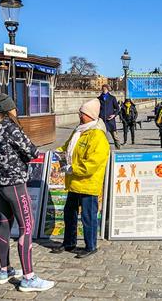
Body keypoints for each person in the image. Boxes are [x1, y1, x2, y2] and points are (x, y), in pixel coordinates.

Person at [0, 93, 54, 292]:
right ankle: (28, 278)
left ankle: (4, 270)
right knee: (27, 226)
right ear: (9, 109)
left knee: (5, 224)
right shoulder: (11, 127)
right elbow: (32, 151)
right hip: (15, 183)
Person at [51, 99, 110, 259]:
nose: (79, 116)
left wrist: (72, 168)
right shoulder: (79, 130)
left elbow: (92, 163)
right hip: (74, 182)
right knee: (69, 212)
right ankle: (69, 242)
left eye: (82, 113)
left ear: (90, 115)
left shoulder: (97, 135)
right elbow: (67, 146)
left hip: (88, 183)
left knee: (88, 216)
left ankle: (90, 245)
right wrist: (57, 152)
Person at [98, 85, 121, 149]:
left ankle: (118, 148)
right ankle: (104, 150)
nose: (104, 90)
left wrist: (114, 115)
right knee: (102, 137)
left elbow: (117, 108)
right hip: (102, 121)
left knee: (115, 136)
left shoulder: (112, 98)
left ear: (108, 89)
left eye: (105, 89)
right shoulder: (99, 98)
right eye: (103, 89)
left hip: (110, 120)